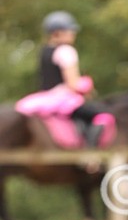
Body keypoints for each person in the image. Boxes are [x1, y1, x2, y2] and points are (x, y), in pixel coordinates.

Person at [37, 11, 107, 144]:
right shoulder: (66, 51)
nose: (73, 34)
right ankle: (90, 153)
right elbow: (73, 84)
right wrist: (86, 86)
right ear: (57, 33)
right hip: (63, 101)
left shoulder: (44, 51)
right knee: (103, 114)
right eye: (70, 31)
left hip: (43, 99)